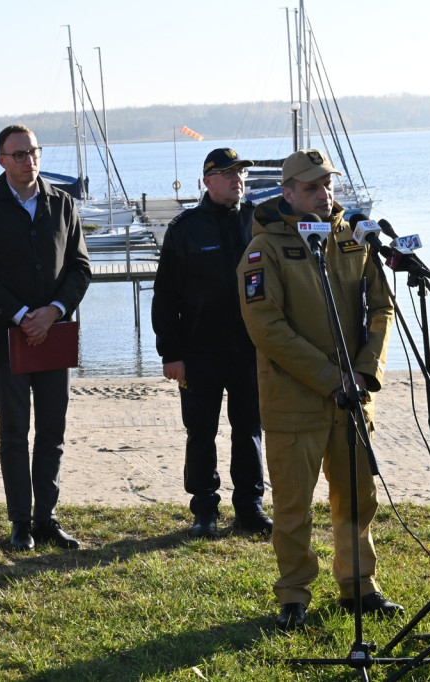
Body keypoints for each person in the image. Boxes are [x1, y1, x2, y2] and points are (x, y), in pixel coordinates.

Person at [237, 149, 400, 631]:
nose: (323, 194)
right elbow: (267, 327)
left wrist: (366, 371)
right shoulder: (262, 250)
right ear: (287, 193)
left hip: (352, 398)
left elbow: (381, 308)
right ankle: (294, 595)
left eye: (327, 184)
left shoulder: (353, 238)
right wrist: (332, 377)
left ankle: (358, 585)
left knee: (357, 497)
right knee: (292, 506)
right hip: (295, 401)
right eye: (311, 187)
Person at [0, 124, 92, 551]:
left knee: (52, 431)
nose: (27, 160)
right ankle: (20, 521)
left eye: (32, 151)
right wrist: (20, 316)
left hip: (54, 336)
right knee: (14, 433)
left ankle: (46, 518)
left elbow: (80, 267)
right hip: (9, 338)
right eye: (17, 154)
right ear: (1, 159)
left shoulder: (62, 203)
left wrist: (53, 313)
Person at [151, 148, 271, 540]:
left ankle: (250, 507)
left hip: (250, 349)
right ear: (207, 181)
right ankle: (204, 509)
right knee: (201, 431)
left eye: (240, 172)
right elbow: (165, 294)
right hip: (200, 351)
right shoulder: (186, 227)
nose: (237, 178)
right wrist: (171, 353)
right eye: (227, 173)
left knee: (249, 429)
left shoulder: (258, 220)